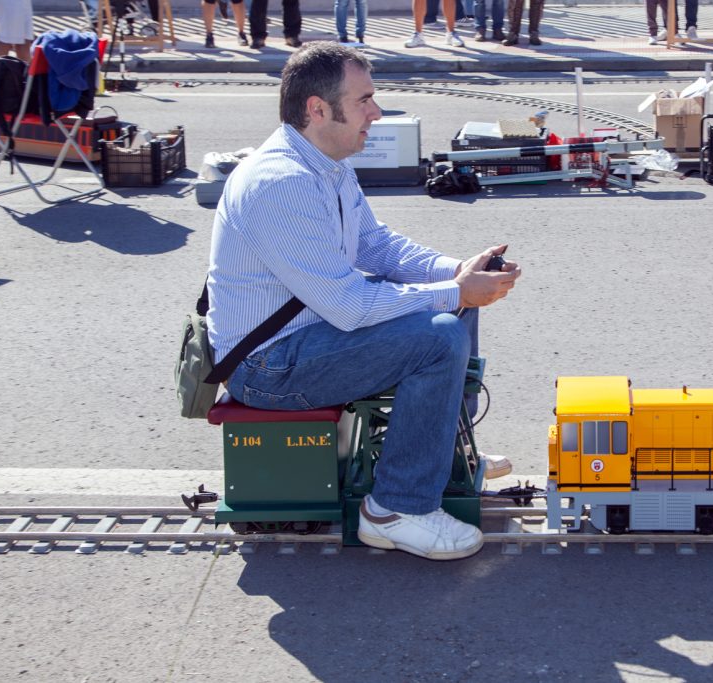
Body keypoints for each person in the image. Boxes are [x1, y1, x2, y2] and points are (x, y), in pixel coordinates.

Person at [206, 43, 521, 561]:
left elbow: (375, 246)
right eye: (365, 101)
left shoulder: (324, 163)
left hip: (306, 338)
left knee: (457, 305)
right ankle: (396, 509)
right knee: (438, 335)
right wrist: (455, 291)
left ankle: (439, 457)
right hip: (269, 367)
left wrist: (456, 273)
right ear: (318, 109)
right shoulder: (281, 184)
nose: (376, 113)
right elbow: (349, 305)